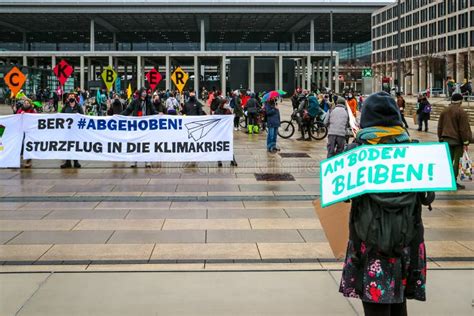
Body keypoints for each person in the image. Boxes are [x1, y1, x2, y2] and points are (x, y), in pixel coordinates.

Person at [340, 91, 432, 316]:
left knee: (374, 307)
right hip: (406, 241)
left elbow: (344, 195)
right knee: (399, 305)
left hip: (369, 243)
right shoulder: (414, 150)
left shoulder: (356, 152)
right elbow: (428, 197)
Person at [437, 93, 473, 190]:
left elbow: (440, 126)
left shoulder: (444, 111)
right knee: (456, 162)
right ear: (460, 101)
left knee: (448, 161)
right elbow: (463, 129)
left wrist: (440, 138)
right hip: (457, 141)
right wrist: (465, 142)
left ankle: (447, 180)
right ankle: (453, 181)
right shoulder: (461, 112)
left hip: (446, 139)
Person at [121, 88, 157, 168]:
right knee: (135, 142)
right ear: (140, 93)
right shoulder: (134, 102)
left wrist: (159, 114)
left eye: (145, 92)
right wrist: (120, 116)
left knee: (147, 143)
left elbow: (153, 111)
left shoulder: (149, 102)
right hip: (137, 125)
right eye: (143, 92)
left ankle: (148, 161)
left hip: (146, 125)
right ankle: (134, 161)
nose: (145, 93)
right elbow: (128, 110)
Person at [60, 93, 84, 169]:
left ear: (75, 98)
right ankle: (68, 162)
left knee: (75, 145)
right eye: (70, 97)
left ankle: (76, 162)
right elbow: (60, 116)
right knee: (67, 145)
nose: (71, 98)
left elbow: (82, 116)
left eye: (73, 97)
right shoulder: (65, 107)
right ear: (67, 98)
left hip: (76, 130)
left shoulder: (78, 106)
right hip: (67, 130)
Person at [214, 98, 238, 167]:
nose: (227, 104)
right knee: (220, 146)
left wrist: (232, 116)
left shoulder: (228, 110)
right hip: (219, 132)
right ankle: (219, 161)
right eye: (226, 103)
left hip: (227, 132)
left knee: (228, 146)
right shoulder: (217, 111)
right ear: (222, 104)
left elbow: (231, 120)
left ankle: (232, 160)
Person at [16, 98, 37, 168]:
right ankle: (22, 156)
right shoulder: (20, 109)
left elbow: (36, 117)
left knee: (28, 144)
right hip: (22, 130)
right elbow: (16, 117)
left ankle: (28, 160)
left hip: (30, 130)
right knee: (21, 143)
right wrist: (20, 114)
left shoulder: (32, 110)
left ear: (30, 104)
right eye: (25, 103)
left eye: (27, 103)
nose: (26, 104)